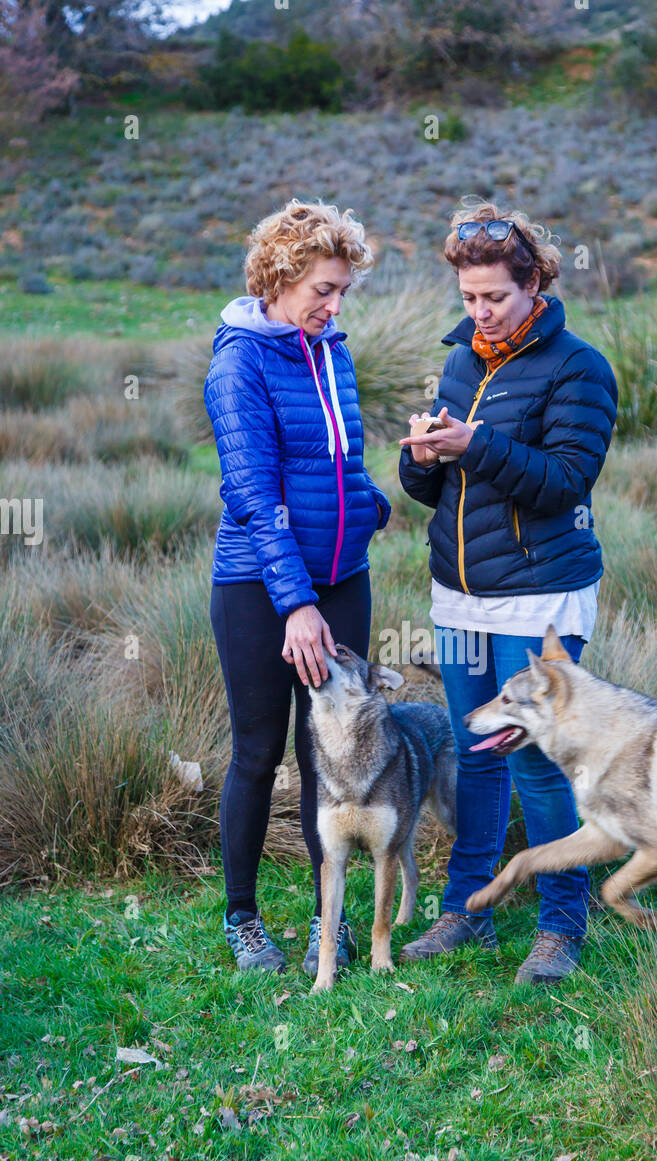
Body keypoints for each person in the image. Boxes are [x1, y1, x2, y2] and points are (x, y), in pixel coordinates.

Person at [398, 202, 617, 984]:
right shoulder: (461, 362)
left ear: (535, 284)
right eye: (468, 299)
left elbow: (564, 483)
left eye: (495, 297)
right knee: (475, 753)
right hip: (460, 596)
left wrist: (478, 444)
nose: (481, 312)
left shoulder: (578, 367)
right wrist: (423, 457)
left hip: (542, 598)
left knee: (537, 762)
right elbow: (440, 490)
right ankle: (469, 912)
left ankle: (562, 926)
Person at [205, 199, 390, 975]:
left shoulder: (331, 349)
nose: (335, 304)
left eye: (344, 290)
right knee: (258, 751)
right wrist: (297, 604)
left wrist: (374, 503)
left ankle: (330, 919)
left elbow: (339, 460)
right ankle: (243, 921)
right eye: (324, 288)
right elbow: (253, 491)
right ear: (279, 278)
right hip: (260, 586)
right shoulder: (239, 361)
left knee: (332, 756)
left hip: (343, 578)